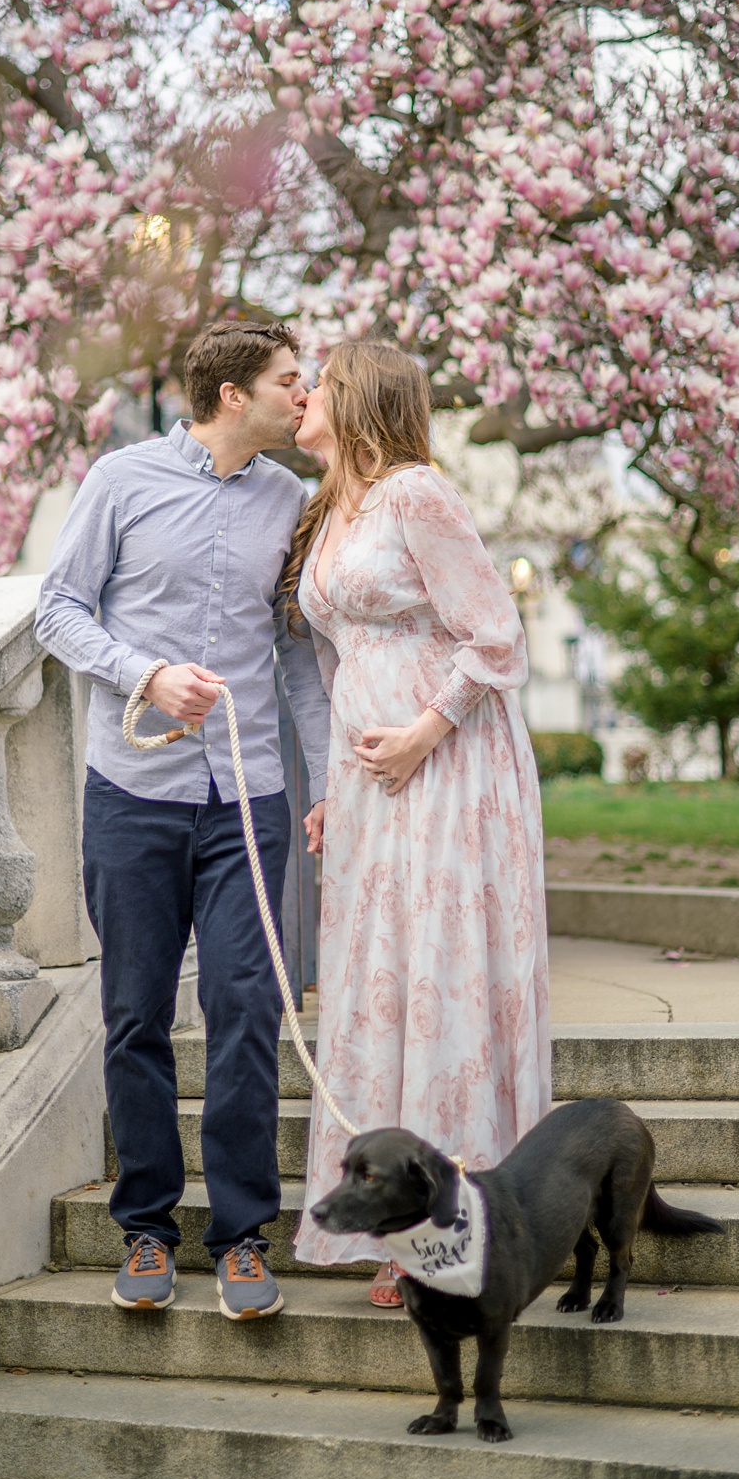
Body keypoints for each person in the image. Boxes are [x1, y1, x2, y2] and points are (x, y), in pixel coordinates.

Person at [37, 317, 330, 1319]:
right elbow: (59, 609)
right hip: (133, 795)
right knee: (136, 1016)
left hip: (249, 799)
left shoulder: (290, 498)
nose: (307, 394)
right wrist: (148, 674)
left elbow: (291, 650)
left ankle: (243, 1236)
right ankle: (147, 1229)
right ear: (234, 394)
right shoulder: (120, 482)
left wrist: (323, 776)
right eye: (291, 380)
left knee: (248, 1010)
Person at [281, 340, 551, 1304]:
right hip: (367, 787)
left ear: (357, 402)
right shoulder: (328, 511)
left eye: (318, 381)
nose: (302, 394)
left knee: (438, 980)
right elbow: (332, 663)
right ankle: (393, 1222)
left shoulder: (415, 495)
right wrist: (328, 786)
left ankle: (452, 1235)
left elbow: (496, 637)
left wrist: (423, 733)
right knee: (379, 986)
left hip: (447, 770)